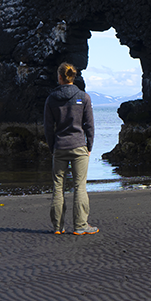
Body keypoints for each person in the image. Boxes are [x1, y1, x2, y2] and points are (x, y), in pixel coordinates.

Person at [43, 62, 97, 235]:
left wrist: (52, 146)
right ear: (73, 77)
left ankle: (58, 227)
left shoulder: (51, 99)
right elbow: (89, 125)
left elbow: (48, 127)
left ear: (60, 77)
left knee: (58, 187)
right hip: (79, 145)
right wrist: (89, 145)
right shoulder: (84, 97)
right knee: (80, 186)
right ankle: (80, 226)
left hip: (60, 146)